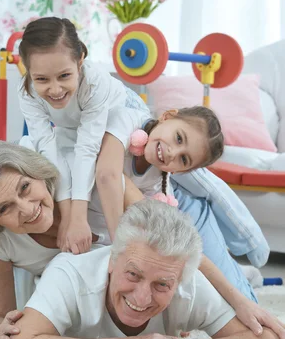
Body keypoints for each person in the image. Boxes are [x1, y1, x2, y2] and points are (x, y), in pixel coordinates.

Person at [0, 141, 283, 339]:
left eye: (26, 189)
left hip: (85, 270)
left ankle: (245, 275)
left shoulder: (92, 185)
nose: (26, 210)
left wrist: (240, 299)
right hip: (35, 273)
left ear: (40, 176)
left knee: (225, 285)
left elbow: (178, 240)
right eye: (7, 208)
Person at [3, 200, 285, 339]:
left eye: (162, 285)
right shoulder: (69, 273)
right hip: (27, 272)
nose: (142, 297)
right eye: (134, 274)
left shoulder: (188, 282)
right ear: (113, 259)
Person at [96, 105, 262, 302]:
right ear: (166, 116)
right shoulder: (127, 121)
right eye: (179, 138)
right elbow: (108, 174)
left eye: (183, 159)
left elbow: (174, 243)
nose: (172, 153)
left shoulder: (159, 186)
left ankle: (241, 278)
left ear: (180, 172)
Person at [17, 16, 149, 255]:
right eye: (42, 79)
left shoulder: (94, 83)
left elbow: (87, 149)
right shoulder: (27, 93)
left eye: (64, 76)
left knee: (107, 172)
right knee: (32, 148)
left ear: (79, 63)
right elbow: (48, 148)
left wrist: (79, 217)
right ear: (29, 72)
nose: (55, 89)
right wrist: (67, 216)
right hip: (75, 128)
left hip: (122, 111)